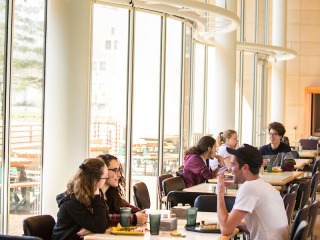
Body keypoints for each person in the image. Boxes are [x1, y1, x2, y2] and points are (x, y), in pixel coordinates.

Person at [216, 144, 289, 240]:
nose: (230, 169)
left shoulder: (249, 188)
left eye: (233, 164)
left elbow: (225, 229)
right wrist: (237, 223)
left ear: (245, 167)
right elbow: (262, 227)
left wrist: (220, 193)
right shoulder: (267, 186)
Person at [52, 158, 110, 240]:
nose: (106, 180)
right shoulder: (72, 202)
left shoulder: (89, 195)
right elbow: (101, 226)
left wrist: (93, 229)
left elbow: (106, 222)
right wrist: (97, 197)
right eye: (105, 177)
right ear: (96, 180)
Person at [98, 154, 148, 226]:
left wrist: (140, 214)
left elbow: (129, 208)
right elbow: (102, 220)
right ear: (103, 171)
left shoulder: (110, 193)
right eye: (115, 170)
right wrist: (133, 218)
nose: (119, 175)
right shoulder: (94, 194)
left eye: (119, 170)